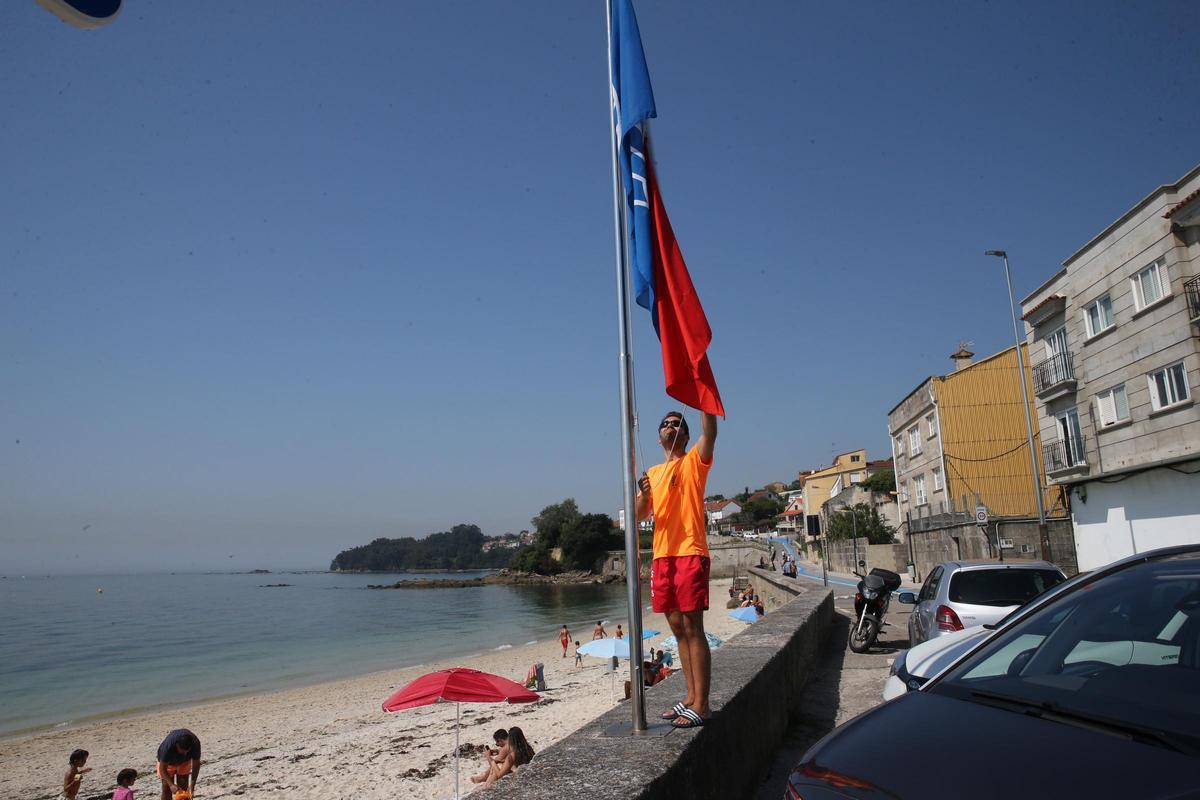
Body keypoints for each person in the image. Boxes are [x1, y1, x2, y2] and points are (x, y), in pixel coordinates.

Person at [637, 410, 717, 729]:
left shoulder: (694, 461)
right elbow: (642, 513)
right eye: (666, 424)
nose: (670, 427)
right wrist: (643, 493)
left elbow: (709, 433)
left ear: (684, 435)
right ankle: (690, 696)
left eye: (676, 424)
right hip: (662, 556)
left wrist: (704, 403)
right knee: (676, 628)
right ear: (659, 436)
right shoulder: (654, 472)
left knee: (692, 625)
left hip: (689, 551)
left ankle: (704, 704)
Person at [156, 729, 201, 800]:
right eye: (182, 751)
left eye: (187, 751)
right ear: (177, 745)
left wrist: (192, 786)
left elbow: (196, 765)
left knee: (183, 787)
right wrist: (171, 785)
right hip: (168, 764)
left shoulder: (195, 744)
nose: (185, 753)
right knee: (166, 788)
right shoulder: (167, 748)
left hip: (185, 762)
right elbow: (163, 768)